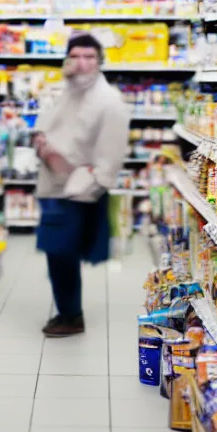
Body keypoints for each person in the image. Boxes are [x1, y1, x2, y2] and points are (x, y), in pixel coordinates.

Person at [32, 32, 130, 337]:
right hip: (55, 186)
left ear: (100, 62)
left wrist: (86, 185)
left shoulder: (109, 102)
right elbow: (48, 127)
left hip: (75, 192)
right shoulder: (69, 91)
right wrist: (42, 143)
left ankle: (71, 316)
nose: (81, 63)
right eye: (75, 56)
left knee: (62, 254)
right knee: (59, 256)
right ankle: (69, 312)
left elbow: (110, 159)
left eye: (89, 57)